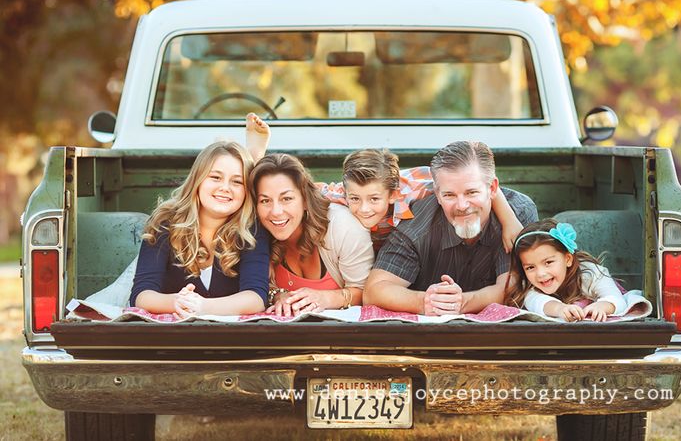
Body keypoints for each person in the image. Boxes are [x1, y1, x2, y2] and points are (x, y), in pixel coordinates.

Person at [243, 114, 523, 253]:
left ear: (392, 194)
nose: (363, 208)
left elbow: (472, 184)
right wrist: (257, 154)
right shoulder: (341, 196)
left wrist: (509, 220)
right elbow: (289, 189)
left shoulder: (416, 184)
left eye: (374, 199)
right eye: (356, 199)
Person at [363, 141, 538, 315]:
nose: (461, 205)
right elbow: (374, 291)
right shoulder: (416, 223)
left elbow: (514, 286)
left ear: (492, 188)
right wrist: (425, 301)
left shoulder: (517, 214)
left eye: (471, 192)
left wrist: (460, 303)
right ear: (437, 194)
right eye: (449, 195)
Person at [130, 141, 270, 318]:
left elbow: (256, 298)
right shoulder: (165, 222)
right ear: (198, 179)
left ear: (246, 191)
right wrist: (176, 302)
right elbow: (142, 294)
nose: (225, 188)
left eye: (237, 181)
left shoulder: (251, 230)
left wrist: (202, 306)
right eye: (215, 177)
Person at [250, 153, 374, 317]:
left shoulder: (342, 226)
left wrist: (325, 298)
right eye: (265, 201)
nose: (276, 212)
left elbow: (366, 293)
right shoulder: (256, 233)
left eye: (286, 198)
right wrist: (279, 296)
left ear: (305, 200)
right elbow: (258, 287)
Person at [504, 218, 626, 322]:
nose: (540, 274)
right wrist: (559, 309)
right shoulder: (529, 285)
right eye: (530, 267)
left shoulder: (590, 274)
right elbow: (538, 302)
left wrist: (602, 306)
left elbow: (616, 299)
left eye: (548, 262)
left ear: (568, 259)